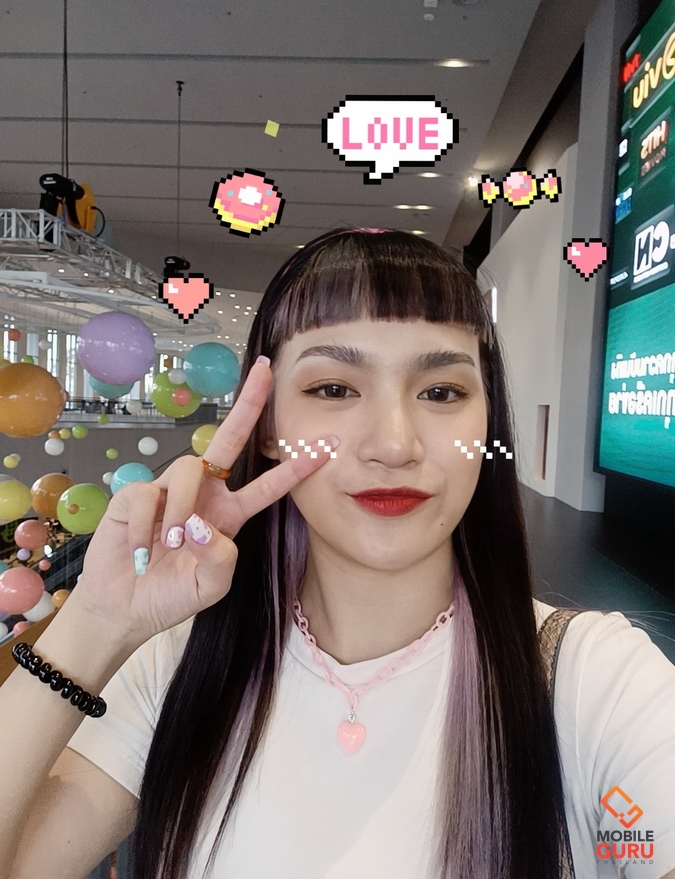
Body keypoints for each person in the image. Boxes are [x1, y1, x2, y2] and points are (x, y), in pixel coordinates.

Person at [1, 228, 674, 879]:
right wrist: (98, 621)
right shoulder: (179, 667)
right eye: (334, 389)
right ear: (268, 425)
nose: (394, 444)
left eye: (442, 392)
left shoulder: (596, 684)